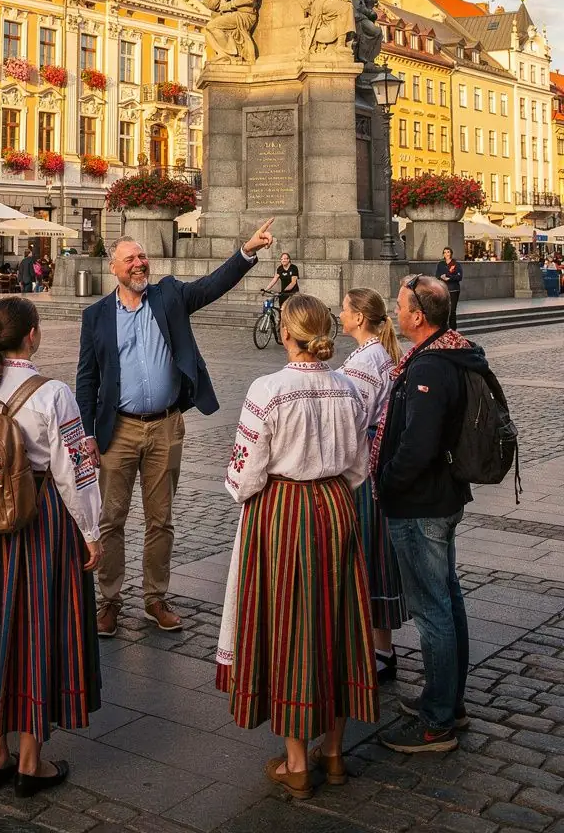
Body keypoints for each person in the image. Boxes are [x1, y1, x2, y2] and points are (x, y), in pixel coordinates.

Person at [76, 220, 275, 637]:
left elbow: (211, 286)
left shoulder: (168, 296)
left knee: (160, 519)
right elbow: (87, 378)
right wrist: (88, 433)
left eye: (141, 257)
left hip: (166, 425)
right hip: (118, 430)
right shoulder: (96, 316)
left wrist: (247, 251)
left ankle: (155, 598)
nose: (138, 263)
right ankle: (109, 601)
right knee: (111, 518)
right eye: (129, 259)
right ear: (112, 267)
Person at [216, 294, 378, 799]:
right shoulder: (349, 389)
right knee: (339, 623)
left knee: (290, 624)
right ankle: (333, 754)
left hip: (283, 510)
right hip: (334, 508)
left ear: (286, 333)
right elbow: (358, 467)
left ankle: (296, 762)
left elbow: (243, 476)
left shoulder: (268, 389)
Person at [0, 298, 102, 796]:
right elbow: (74, 472)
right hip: (39, 521)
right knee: (38, 628)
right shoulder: (53, 394)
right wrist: (91, 530)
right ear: (32, 335)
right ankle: (32, 762)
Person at [374, 275, 486, 754]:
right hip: (440, 498)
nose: (396, 313)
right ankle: (448, 701)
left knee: (432, 609)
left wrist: (386, 483)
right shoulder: (447, 351)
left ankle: (438, 721)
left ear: (419, 316)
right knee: (447, 599)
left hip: (421, 505)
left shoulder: (432, 367)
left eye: (401, 305)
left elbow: (418, 446)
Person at [339, 288, 407, 684]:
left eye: (345, 309)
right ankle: (381, 647)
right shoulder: (378, 354)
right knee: (375, 554)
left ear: (360, 318)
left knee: (366, 554)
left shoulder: (366, 361)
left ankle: (377, 651)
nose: (340, 314)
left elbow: (353, 416)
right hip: (374, 466)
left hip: (363, 469)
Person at [436, 247, 463, 330]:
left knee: (452, 311)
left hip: (454, 290)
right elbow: (437, 275)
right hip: (443, 290)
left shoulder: (456, 264)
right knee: (443, 310)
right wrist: (441, 277)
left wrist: (449, 278)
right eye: (444, 252)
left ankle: (453, 329)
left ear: (451, 253)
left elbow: (459, 276)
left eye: (448, 252)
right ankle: (443, 329)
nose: (446, 254)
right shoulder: (440, 264)